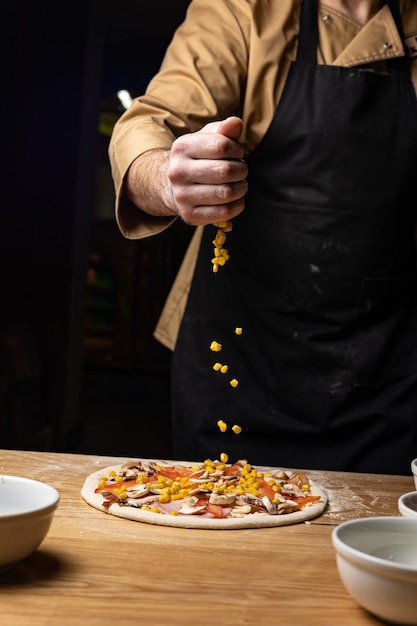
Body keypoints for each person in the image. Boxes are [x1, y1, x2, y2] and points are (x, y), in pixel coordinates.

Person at [109, 0, 417, 475]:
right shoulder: (243, 11)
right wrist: (170, 179)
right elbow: (150, 124)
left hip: (390, 371)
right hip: (237, 362)